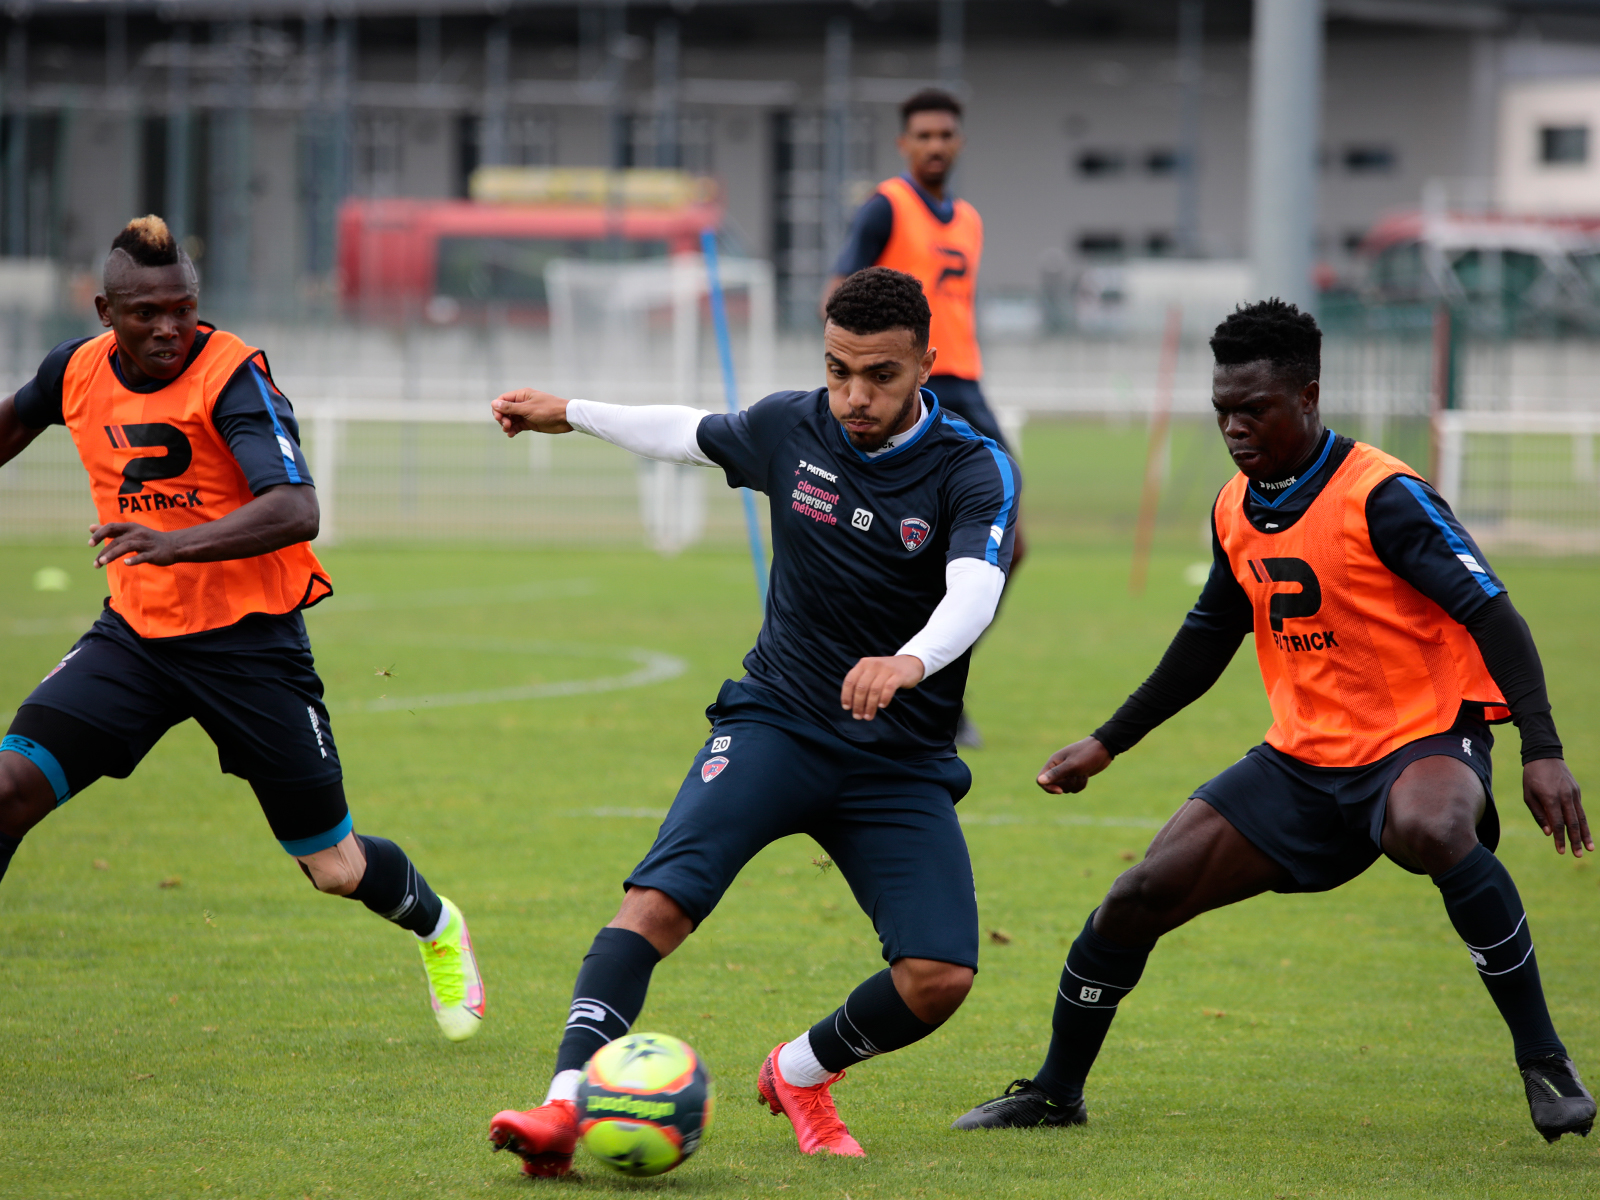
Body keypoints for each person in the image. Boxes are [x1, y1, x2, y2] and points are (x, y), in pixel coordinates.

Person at [952, 299, 1595, 1144]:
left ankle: (1544, 1059)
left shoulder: (1384, 496)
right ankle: (1055, 1092)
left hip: (1421, 738)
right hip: (1301, 761)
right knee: (1137, 895)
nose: (1234, 428)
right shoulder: (1234, 507)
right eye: (1222, 410)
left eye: (1252, 409)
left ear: (1308, 397)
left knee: (1430, 826)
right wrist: (1106, 744)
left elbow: (1495, 616)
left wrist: (1540, 753)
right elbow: (1204, 644)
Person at [485, 266, 1019, 1176]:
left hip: (896, 758)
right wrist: (568, 409)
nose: (855, 394)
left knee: (939, 978)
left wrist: (910, 661)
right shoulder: (792, 425)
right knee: (654, 905)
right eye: (839, 368)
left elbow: (976, 587)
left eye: (882, 375)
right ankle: (561, 1109)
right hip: (776, 721)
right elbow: (684, 431)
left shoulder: (971, 468)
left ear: (928, 363)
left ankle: (800, 1073)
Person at [0, 215, 485, 1043]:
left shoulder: (233, 377)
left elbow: (297, 509)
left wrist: (174, 544)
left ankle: (438, 925)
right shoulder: (73, 371)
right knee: (8, 791)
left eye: (181, 308)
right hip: (135, 641)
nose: (167, 328)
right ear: (103, 311)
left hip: (251, 646)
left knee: (333, 868)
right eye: (145, 312)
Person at [826, 87, 1016, 747]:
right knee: (886, 538)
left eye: (946, 135)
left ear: (959, 143)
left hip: (967, 385)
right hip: (905, 390)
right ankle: (863, 676)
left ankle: (935, 675)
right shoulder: (886, 207)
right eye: (924, 136)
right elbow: (838, 294)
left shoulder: (968, 218)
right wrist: (853, 378)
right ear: (905, 144)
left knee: (1005, 546)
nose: (936, 146)